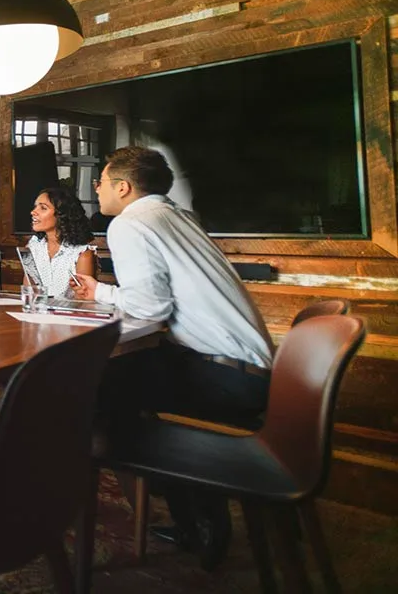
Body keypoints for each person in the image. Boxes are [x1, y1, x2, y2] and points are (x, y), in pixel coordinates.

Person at [70, 145, 274, 569]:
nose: (97, 188)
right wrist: (103, 293)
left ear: (122, 187)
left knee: (85, 387)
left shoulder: (129, 224)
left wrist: (81, 338)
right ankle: (191, 505)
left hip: (223, 377)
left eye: (101, 181)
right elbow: (161, 297)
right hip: (246, 371)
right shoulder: (176, 216)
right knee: (116, 387)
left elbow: (148, 310)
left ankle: (194, 503)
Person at [25, 186, 97, 297]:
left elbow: (83, 300)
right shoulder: (34, 246)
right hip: (39, 311)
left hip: (68, 313)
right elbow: (29, 292)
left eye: (43, 208)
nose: (33, 212)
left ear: (61, 215)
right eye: (35, 207)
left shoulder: (82, 254)